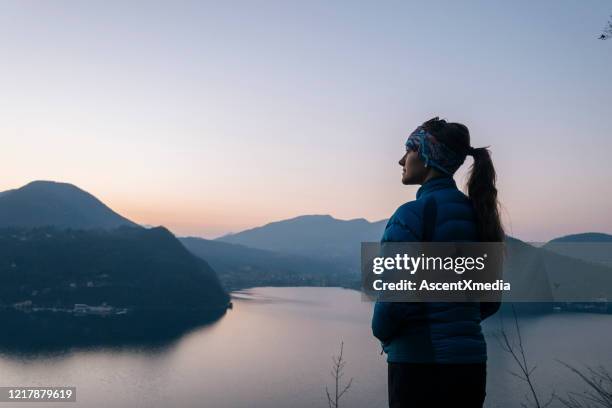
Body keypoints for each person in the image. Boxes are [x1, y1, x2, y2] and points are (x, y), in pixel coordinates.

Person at [371, 117, 504, 408]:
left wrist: (383, 332)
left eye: (409, 149)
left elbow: (391, 306)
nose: (401, 160)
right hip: (470, 369)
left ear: (428, 157)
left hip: (418, 369)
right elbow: (490, 302)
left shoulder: (411, 216)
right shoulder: (480, 216)